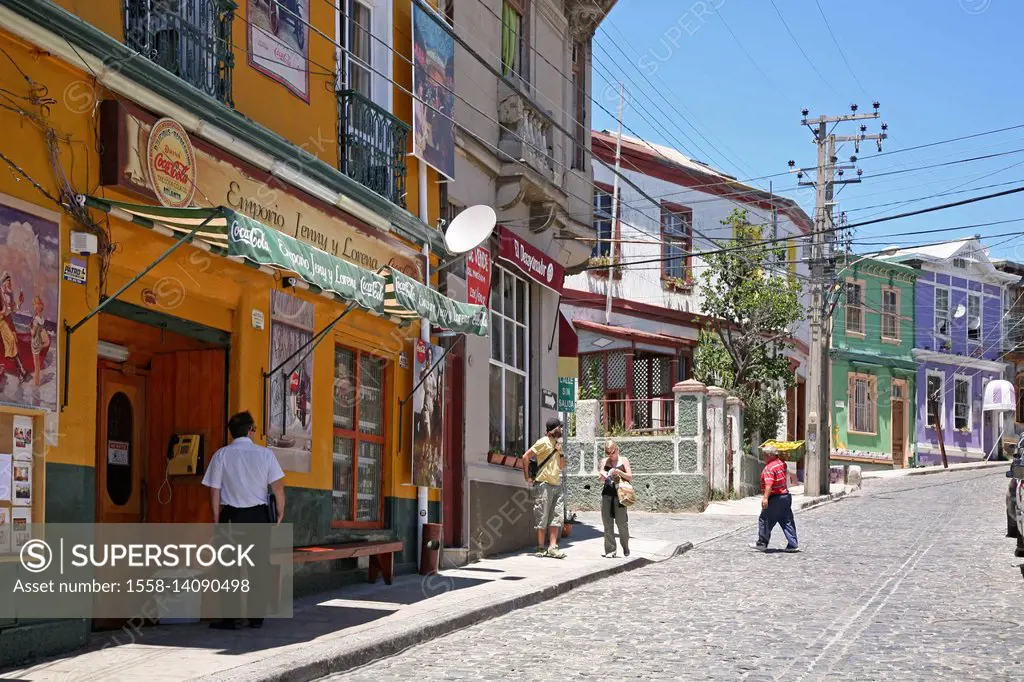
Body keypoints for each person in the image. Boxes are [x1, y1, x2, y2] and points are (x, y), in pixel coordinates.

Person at [202, 411, 286, 629]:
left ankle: (231, 619)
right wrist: (279, 513)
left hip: (231, 517)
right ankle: (256, 618)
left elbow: (214, 492)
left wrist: (216, 521)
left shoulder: (221, 455)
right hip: (258, 517)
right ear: (251, 430)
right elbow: (277, 489)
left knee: (229, 568)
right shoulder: (265, 455)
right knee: (258, 567)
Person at [522, 417, 567, 559]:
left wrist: (560, 452)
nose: (561, 430)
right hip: (543, 484)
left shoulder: (557, 444)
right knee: (542, 516)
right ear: (553, 430)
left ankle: (552, 547)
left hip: (557, 484)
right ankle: (541, 547)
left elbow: (561, 466)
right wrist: (527, 476)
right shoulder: (542, 442)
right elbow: (526, 456)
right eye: (560, 427)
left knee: (556, 517)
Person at [751, 445, 799, 553]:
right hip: (785, 497)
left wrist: (765, 498)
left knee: (764, 519)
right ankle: (793, 544)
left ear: (768, 455)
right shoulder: (781, 464)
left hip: (775, 498)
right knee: (787, 520)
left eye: (764, 455)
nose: (763, 457)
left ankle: (762, 543)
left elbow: (769, 485)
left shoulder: (769, 468)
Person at [599, 440, 632, 558]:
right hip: (607, 494)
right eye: (607, 453)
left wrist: (619, 472)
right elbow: (600, 478)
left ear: (617, 450)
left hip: (621, 495)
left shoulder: (624, 460)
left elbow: (630, 477)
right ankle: (610, 550)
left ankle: (625, 545)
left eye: (612, 452)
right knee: (607, 523)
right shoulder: (604, 461)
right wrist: (603, 476)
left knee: (622, 524)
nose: (610, 455)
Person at [29, 296, 49, 387]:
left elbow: (33, 334)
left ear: (36, 308)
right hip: (39, 341)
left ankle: (36, 382)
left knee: (36, 364)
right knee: (38, 364)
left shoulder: (35, 320)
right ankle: (37, 381)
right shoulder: (42, 318)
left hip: (35, 342)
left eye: (34, 306)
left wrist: (30, 328)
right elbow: (41, 330)